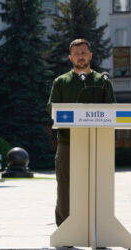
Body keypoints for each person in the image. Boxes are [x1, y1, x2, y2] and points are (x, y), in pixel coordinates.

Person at [47, 38, 116, 227]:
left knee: (98, 186)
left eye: (84, 53)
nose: (80, 57)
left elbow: (113, 110)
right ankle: (65, 229)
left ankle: (100, 228)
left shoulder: (102, 81)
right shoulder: (61, 82)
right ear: (70, 58)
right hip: (68, 142)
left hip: (97, 143)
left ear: (90, 55)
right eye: (76, 54)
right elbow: (52, 109)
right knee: (65, 186)